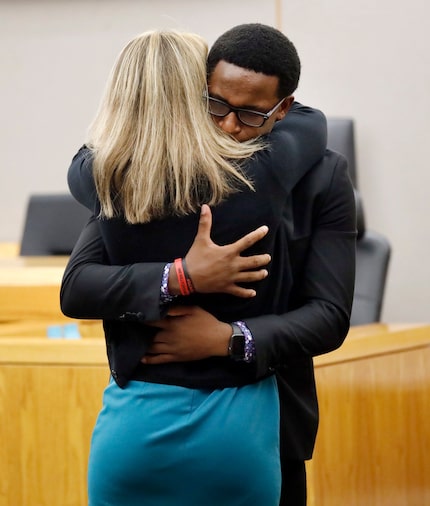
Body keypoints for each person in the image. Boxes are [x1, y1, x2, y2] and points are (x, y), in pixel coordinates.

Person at [61, 24, 356, 506]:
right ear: (197, 92)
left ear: (282, 107)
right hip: (196, 423)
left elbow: (329, 315)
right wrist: (179, 276)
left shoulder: (115, 178)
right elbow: (78, 286)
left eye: (251, 113)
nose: (228, 127)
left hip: (268, 415)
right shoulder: (138, 183)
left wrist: (231, 337)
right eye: (214, 105)